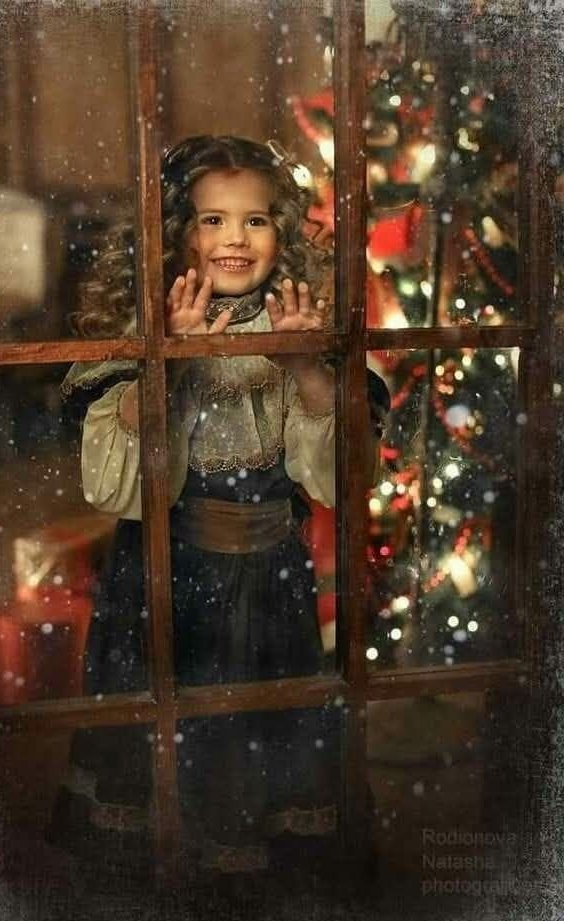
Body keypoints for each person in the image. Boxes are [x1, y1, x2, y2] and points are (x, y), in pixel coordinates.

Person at [48, 135, 388, 875]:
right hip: (165, 581)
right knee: (168, 740)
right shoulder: (143, 332)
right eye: (211, 220)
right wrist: (167, 362)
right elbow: (116, 485)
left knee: (264, 738)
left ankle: (261, 888)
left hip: (270, 581)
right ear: (175, 232)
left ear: (281, 233)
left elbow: (340, 477)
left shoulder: (299, 325)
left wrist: (306, 367)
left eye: (255, 220)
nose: (235, 238)